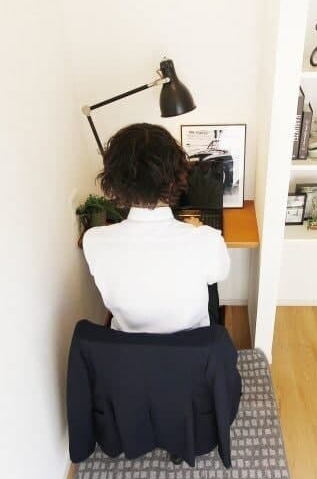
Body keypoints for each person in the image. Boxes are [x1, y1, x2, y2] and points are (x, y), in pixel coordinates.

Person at [82, 123, 230, 334]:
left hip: (127, 349)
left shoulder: (93, 241)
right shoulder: (207, 240)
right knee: (209, 280)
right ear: (175, 178)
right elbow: (220, 273)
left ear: (114, 181)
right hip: (191, 348)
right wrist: (199, 229)